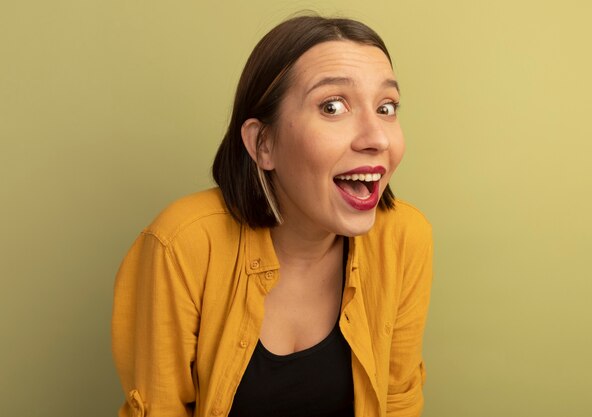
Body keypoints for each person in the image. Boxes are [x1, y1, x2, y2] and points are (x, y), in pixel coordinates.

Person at [112, 14, 433, 417]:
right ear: (263, 143)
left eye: (387, 107)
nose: (377, 138)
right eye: (333, 106)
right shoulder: (182, 245)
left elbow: (398, 400)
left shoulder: (405, 238)